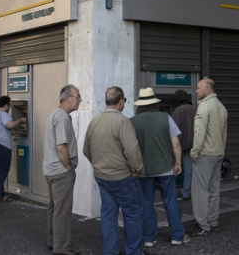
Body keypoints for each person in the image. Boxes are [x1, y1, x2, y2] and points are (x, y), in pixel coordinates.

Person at [83, 87, 144, 255]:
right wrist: (137, 168)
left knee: (108, 215)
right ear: (121, 101)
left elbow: (86, 150)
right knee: (131, 215)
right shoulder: (123, 121)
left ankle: (110, 251)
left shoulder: (94, 121)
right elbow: (132, 149)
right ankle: (133, 252)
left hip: (102, 176)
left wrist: (98, 165)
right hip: (123, 176)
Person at [130, 87, 190, 247]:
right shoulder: (166, 117)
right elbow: (176, 143)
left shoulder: (133, 121)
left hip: (144, 169)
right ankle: (177, 236)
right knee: (170, 201)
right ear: (154, 102)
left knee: (146, 203)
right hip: (165, 167)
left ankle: (149, 238)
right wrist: (178, 163)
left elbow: (130, 147)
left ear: (140, 105)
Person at [43, 84, 82, 255]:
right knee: (63, 211)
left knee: (54, 208)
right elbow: (61, 146)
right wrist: (68, 168)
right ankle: (61, 248)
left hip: (51, 169)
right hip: (60, 171)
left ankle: (53, 241)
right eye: (77, 96)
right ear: (68, 98)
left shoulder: (54, 114)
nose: (80, 100)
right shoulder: (62, 117)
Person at [189, 78, 228, 236]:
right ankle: (213, 222)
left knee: (200, 190)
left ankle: (202, 225)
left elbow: (199, 134)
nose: (196, 91)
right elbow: (223, 134)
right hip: (218, 153)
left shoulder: (204, 107)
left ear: (207, 90)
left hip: (205, 154)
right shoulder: (222, 107)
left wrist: (194, 152)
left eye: (198, 88)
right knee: (214, 190)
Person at [0, 96, 27, 201]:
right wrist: (21, 120)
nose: (10, 107)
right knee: (0, 171)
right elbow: (10, 125)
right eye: (9, 105)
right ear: (5, 105)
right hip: (0, 146)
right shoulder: (4, 115)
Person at [171, 90, 196, 201]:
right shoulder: (194, 108)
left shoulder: (178, 110)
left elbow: (173, 129)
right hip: (194, 143)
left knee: (180, 167)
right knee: (190, 168)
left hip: (182, 144)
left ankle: (184, 192)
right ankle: (188, 190)